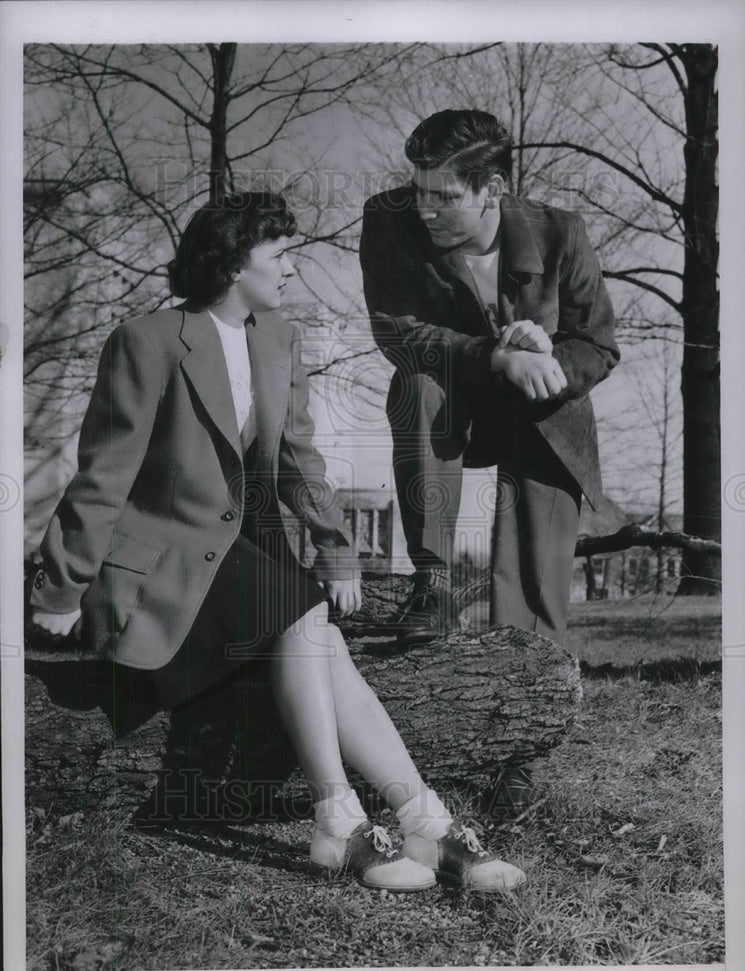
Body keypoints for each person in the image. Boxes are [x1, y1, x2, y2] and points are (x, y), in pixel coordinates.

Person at [29, 191, 525, 894]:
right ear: (234, 264)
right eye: (279, 255)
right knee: (301, 611)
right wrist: (61, 584)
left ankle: (424, 823)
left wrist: (335, 546)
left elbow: (297, 455)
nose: (290, 269)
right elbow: (105, 471)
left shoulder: (276, 336)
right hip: (158, 569)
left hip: (229, 563)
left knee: (322, 642)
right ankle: (337, 818)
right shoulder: (146, 339)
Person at [360, 109, 619, 646]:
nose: (425, 210)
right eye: (418, 191)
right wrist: (495, 356)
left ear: (494, 188)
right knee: (417, 384)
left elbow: (597, 344)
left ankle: (530, 663)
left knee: (532, 615)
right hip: (451, 399)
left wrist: (550, 356)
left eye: (444, 197)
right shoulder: (388, 220)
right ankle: (432, 587)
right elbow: (396, 331)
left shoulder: (562, 233)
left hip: (542, 409)